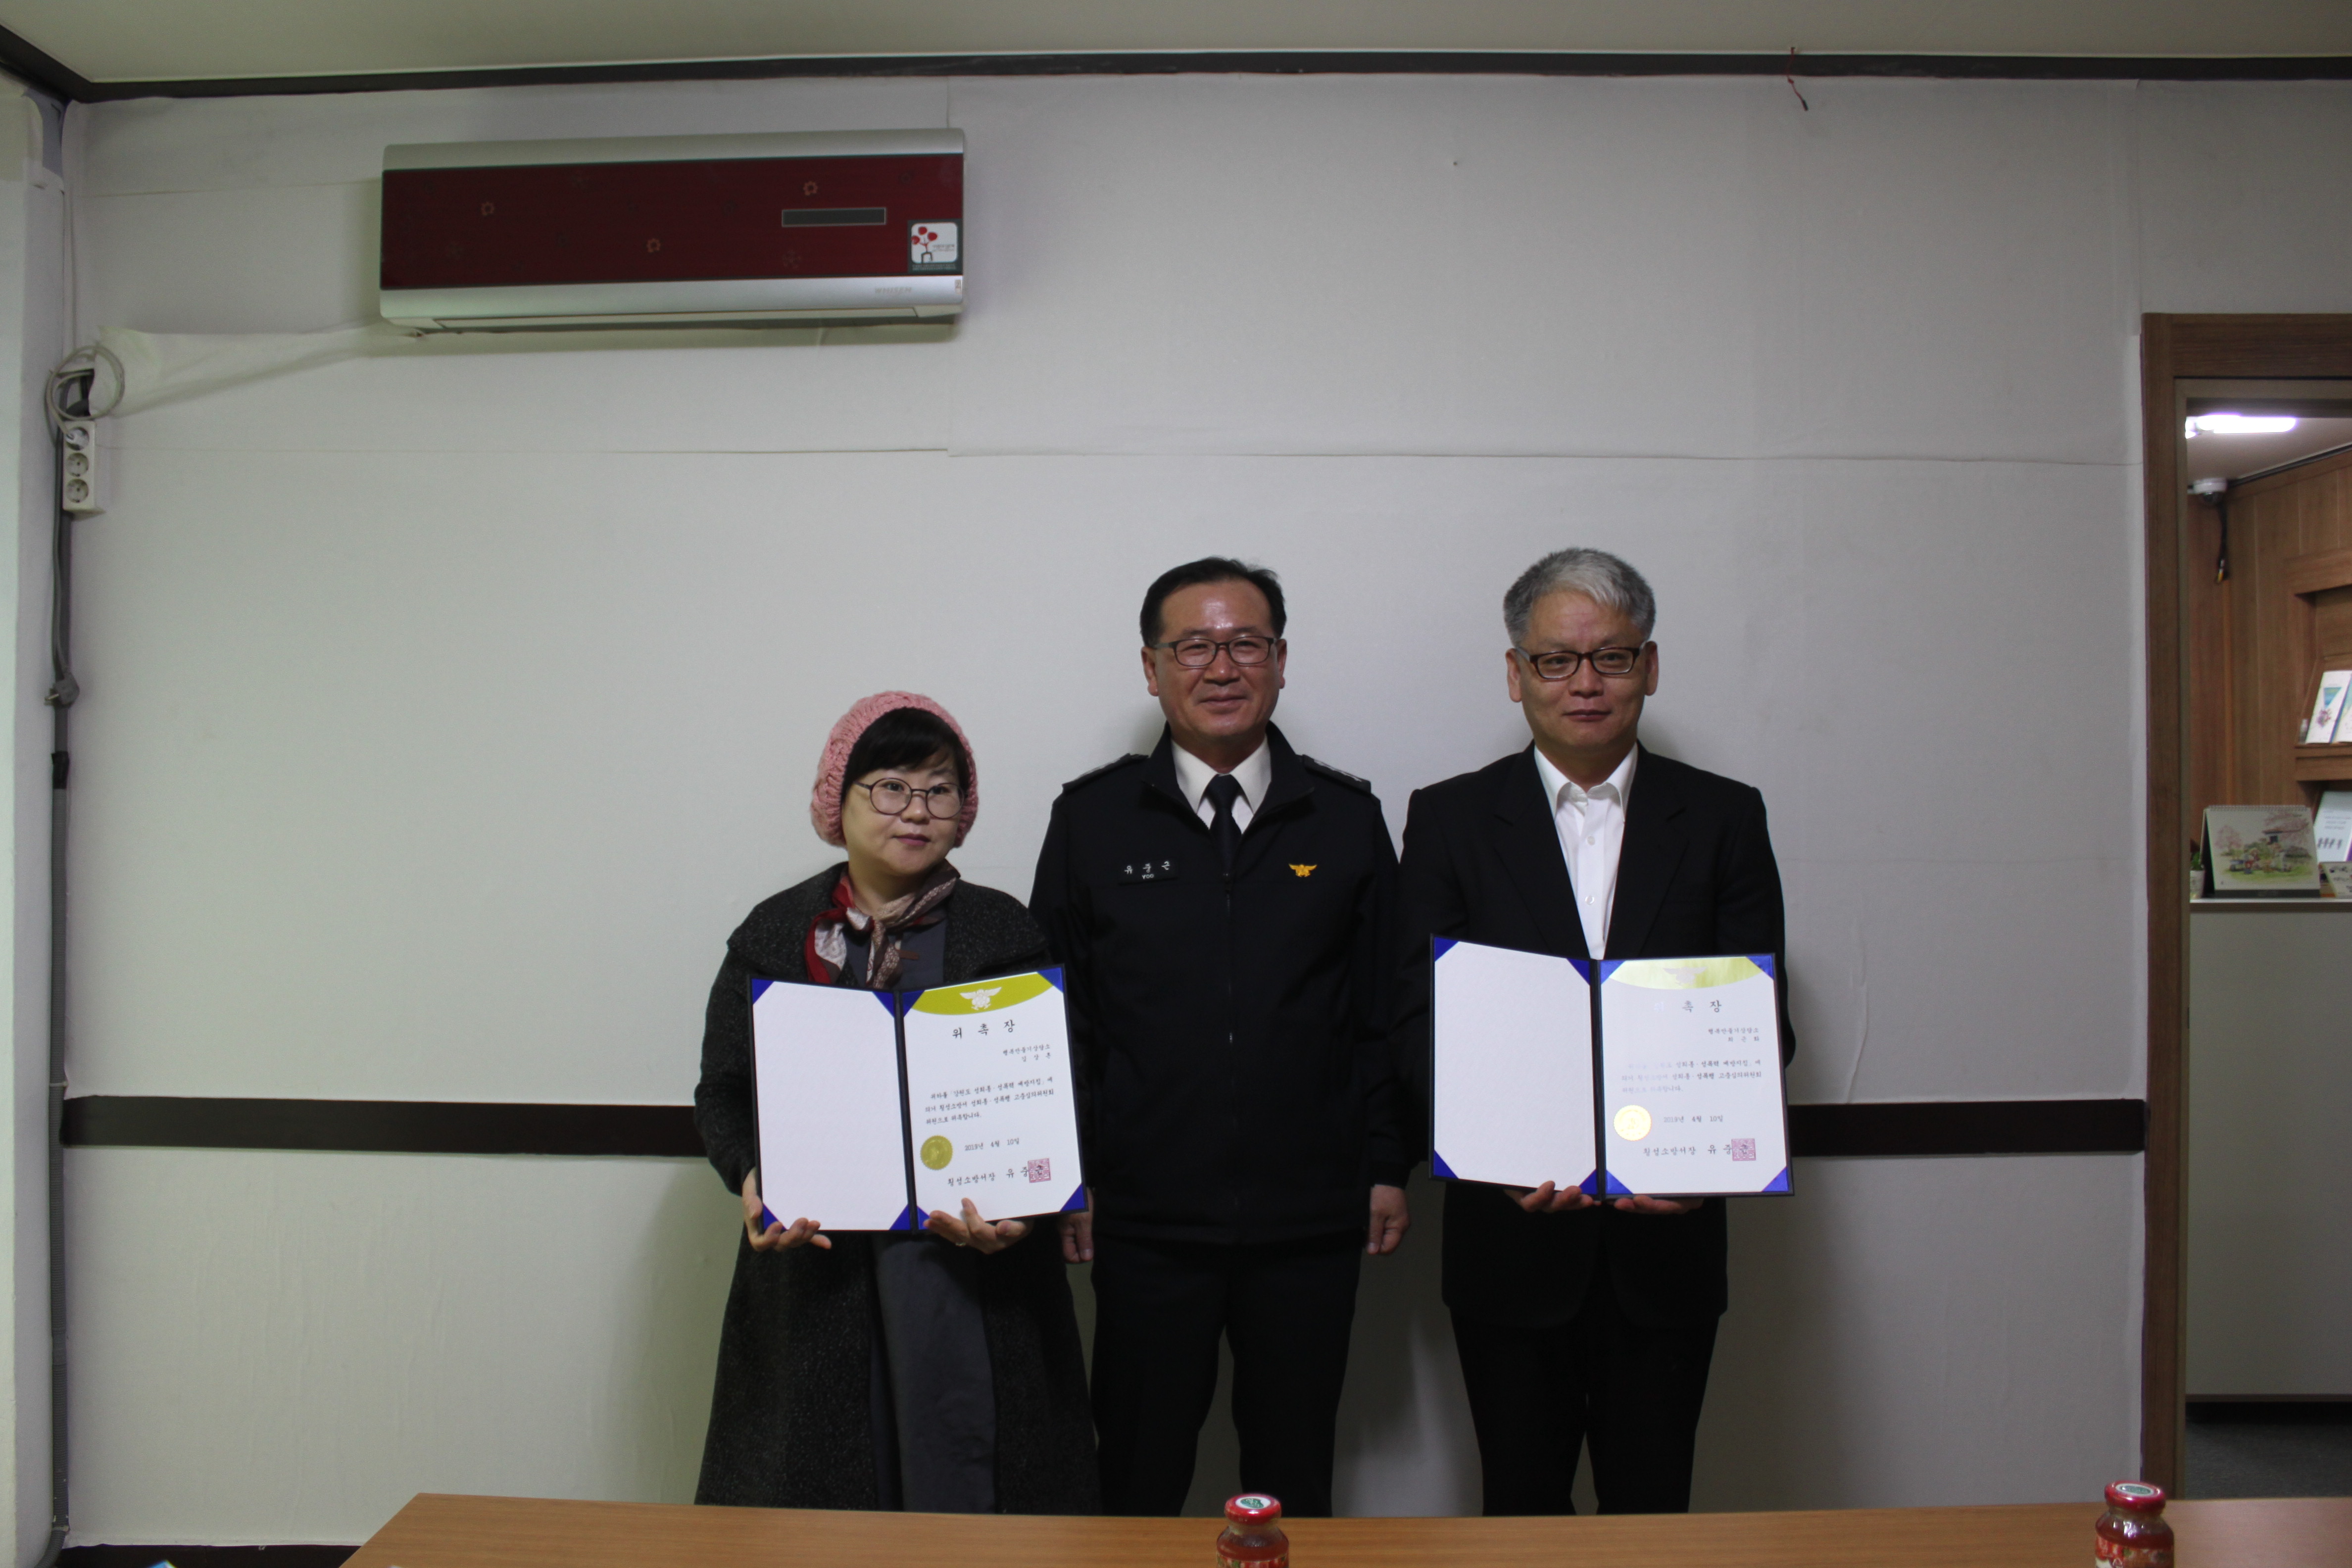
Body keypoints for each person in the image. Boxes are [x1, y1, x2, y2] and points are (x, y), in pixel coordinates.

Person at [1390, 548, 1793, 1517]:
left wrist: (1701, 1168)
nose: (1585, 683)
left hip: (1667, 1248)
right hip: (1509, 1240)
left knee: (1653, 1512)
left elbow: (1760, 1022)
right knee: (1519, 1510)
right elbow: (1415, 1017)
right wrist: (1491, 1150)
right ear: (1516, 673)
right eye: (1556, 660)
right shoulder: (1450, 819)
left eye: (1611, 658)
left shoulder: (1725, 817)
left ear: (1649, 667)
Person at [1029, 557, 1409, 1519]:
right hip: (1144, 1220)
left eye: (1246, 644)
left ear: (1280, 661)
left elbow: (1384, 1010)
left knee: (1295, 1480)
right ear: (1151, 667)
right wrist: (1069, 1175)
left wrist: (1386, 1164)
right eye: (1194, 646)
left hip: (1311, 1218)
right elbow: (1058, 1019)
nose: (1222, 667)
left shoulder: (1347, 819)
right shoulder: (1092, 820)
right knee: (1137, 1477)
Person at [692, 692, 1096, 1515]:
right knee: (818, 1503)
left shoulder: (1006, 932)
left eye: (939, 790)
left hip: (970, 1270)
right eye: (890, 787)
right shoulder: (774, 935)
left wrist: (1027, 1212)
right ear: (836, 801)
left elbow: (1057, 1088)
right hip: (817, 1269)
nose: (916, 811)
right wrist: (751, 1175)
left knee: (984, 1495)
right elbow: (723, 1090)